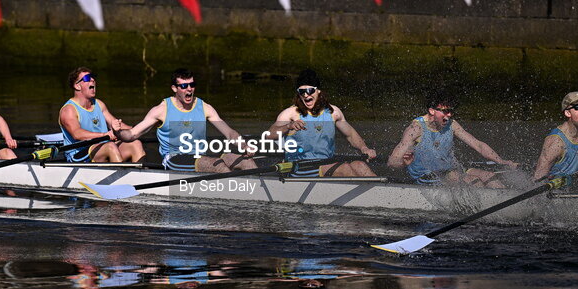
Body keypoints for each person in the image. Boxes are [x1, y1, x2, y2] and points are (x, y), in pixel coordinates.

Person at [112, 68, 257, 172]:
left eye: (192, 85)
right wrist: (118, 132)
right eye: (184, 86)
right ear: (174, 88)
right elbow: (132, 135)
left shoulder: (204, 107)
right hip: (174, 159)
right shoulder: (161, 110)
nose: (189, 89)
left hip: (200, 157)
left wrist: (244, 145)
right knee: (218, 165)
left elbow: (230, 133)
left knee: (246, 162)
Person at [387, 89, 518, 188]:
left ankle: (510, 207)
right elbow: (392, 161)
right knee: (472, 181)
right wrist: (404, 163)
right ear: (432, 111)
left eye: (451, 111)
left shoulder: (452, 124)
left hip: (451, 171)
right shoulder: (415, 129)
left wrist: (501, 161)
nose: (449, 115)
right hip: (426, 177)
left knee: (490, 176)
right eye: (445, 111)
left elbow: (478, 145)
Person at [267, 69, 377, 177]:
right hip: (301, 168)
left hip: (326, 164)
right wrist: (288, 126)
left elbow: (351, 135)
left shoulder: (334, 112)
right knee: (345, 169)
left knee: (360, 165)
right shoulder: (290, 114)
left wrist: (364, 148)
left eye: (310, 91)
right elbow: (270, 135)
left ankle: (379, 192)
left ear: (318, 91)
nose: (306, 95)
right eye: (302, 92)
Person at [58, 67, 145, 163]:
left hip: (103, 147)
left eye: (93, 77)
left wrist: (140, 129)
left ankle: (141, 174)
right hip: (78, 154)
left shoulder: (99, 104)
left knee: (135, 143)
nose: (92, 80)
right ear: (77, 86)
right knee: (110, 146)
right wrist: (104, 135)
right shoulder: (69, 110)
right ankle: (122, 175)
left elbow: (118, 125)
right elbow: (77, 134)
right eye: (87, 78)